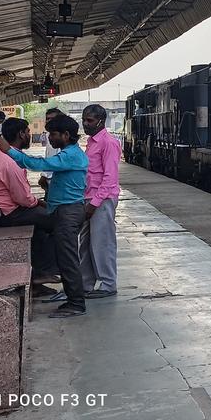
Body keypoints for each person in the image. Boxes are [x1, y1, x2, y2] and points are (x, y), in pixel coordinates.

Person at [0, 115, 89, 318]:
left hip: (68, 212)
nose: (50, 138)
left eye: (53, 134)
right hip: (64, 210)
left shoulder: (71, 155)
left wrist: (9, 151)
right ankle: (68, 295)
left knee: (68, 259)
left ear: (66, 135)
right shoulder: (70, 154)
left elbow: (39, 164)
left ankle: (76, 303)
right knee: (63, 255)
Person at [0, 118, 57, 289]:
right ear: (21, 134)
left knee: (41, 228)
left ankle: (37, 271)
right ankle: (43, 272)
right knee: (62, 221)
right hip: (12, 213)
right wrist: (39, 202)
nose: (30, 135)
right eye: (28, 131)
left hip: (7, 210)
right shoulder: (8, 161)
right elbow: (22, 198)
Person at [81, 104, 121, 298]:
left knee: (102, 243)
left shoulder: (108, 143)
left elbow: (110, 177)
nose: (85, 124)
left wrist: (94, 204)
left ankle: (108, 284)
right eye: (84, 120)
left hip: (102, 200)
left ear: (101, 121)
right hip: (89, 198)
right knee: (86, 244)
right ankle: (85, 283)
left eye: (89, 120)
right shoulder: (91, 142)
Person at [38, 108, 62, 193]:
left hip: (57, 180)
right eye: (47, 119)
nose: (49, 121)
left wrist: (44, 175)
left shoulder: (62, 137)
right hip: (49, 179)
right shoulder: (49, 135)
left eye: (52, 119)